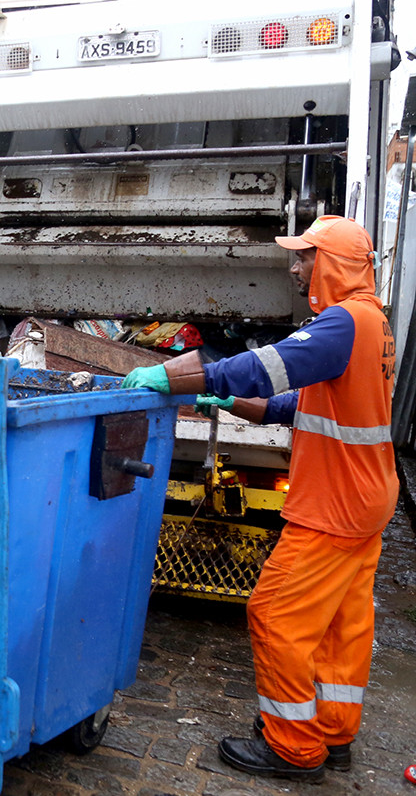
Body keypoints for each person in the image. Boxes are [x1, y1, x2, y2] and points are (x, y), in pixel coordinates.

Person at [121, 216, 398, 783]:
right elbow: (294, 406)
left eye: (304, 258)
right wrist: (223, 402)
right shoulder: (374, 324)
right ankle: (333, 730)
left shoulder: (342, 323)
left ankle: (294, 747)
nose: (295, 269)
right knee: (342, 623)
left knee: (275, 614)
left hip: (333, 506)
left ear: (334, 264)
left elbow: (264, 368)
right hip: (368, 498)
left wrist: (185, 379)